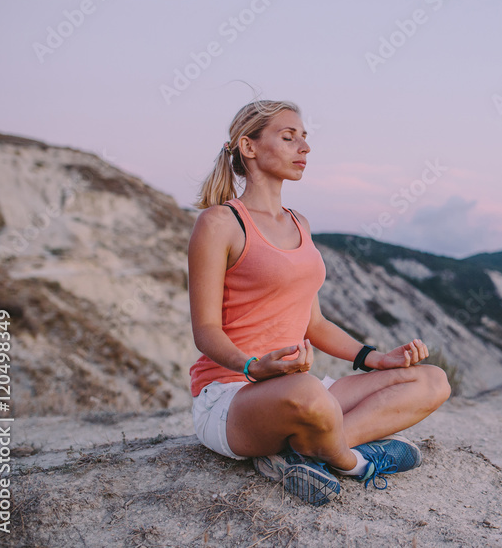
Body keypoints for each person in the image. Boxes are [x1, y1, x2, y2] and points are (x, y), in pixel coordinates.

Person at [188, 98, 451, 506]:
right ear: (249, 146)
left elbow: (314, 322)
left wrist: (376, 358)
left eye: (305, 138)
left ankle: (308, 451)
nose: (304, 148)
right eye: (289, 137)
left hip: (298, 391)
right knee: (311, 395)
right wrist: (253, 366)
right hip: (230, 397)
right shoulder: (219, 223)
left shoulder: (300, 224)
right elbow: (205, 330)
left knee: (432, 381)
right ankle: (353, 461)